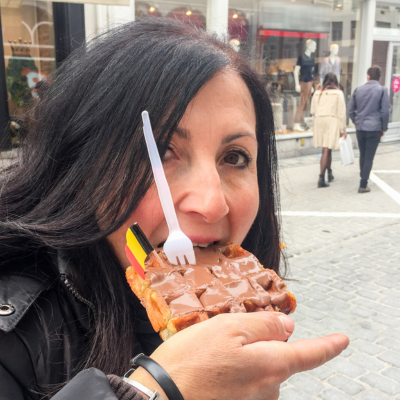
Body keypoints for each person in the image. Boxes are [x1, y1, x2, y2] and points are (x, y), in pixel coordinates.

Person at [0, 18, 349, 400]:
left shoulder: (251, 308)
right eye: (163, 150)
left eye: (235, 156)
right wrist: (153, 391)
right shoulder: (12, 343)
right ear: (83, 170)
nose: (212, 203)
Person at [348, 65, 390, 193]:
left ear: (368, 76)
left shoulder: (358, 90)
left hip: (360, 127)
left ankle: (363, 177)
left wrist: (357, 121)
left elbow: (350, 110)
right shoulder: (382, 90)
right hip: (374, 127)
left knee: (363, 154)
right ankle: (363, 183)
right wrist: (383, 127)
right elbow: (385, 112)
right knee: (369, 157)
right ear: (379, 77)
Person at [311, 72, 346, 188]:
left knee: (327, 148)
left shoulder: (318, 93)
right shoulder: (338, 93)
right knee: (327, 148)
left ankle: (329, 172)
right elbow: (341, 113)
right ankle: (321, 177)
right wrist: (343, 130)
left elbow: (312, 111)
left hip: (320, 122)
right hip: (332, 121)